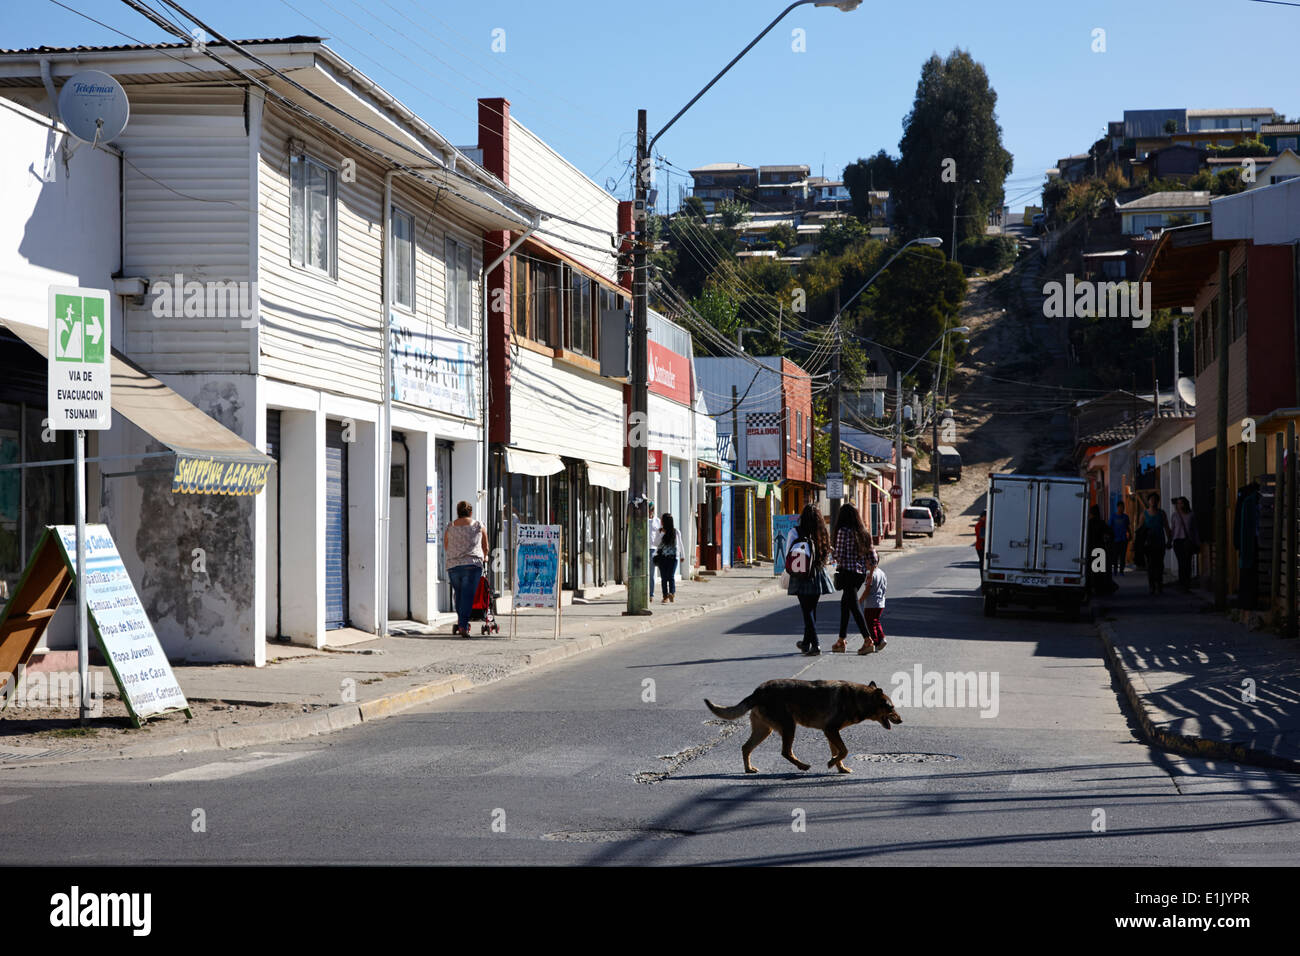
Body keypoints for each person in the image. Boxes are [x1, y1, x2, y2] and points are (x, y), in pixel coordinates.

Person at [787, 504, 832, 656]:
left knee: (807, 612)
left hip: (801, 574)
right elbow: (827, 553)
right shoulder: (822, 532)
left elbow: (789, 553)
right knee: (812, 610)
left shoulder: (795, 532)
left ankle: (816, 644)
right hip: (818, 574)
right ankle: (806, 643)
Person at [829, 503, 874, 654]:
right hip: (860, 575)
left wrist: (831, 552)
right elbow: (873, 558)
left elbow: (839, 556)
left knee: (854, 606)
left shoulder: (843, 531)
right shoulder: (864, 532)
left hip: (847, 572)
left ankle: (868, 640)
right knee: (845, 604)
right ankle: (841, 640)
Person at [444, 500, 488, 637]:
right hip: (472, 565)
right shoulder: (478, 525)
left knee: (459, 594)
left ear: (458, 512)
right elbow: (485, 546)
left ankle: (461, 621)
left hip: (453, 566)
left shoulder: (450, 526)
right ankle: (463, 626)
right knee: (468, 596)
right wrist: (485, 557)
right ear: (471, 512)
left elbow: (446, 545)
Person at [1141, 493, 1172, 595]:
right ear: (1148, 501)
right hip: (1148, 544)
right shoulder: (1144, 514)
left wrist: (1169, 540)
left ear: (1158, 502)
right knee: (1150, 565)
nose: (1153, 501)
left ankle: (1159, 584)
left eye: (1155, 500)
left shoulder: (1161, 513)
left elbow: (1166, 527)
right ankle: (1151, 585)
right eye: (1151, 499)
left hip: (1160, 542)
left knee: (1159, 564)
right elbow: (1139, 530)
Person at [858, 553, 888, 654]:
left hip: (871, 603)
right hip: (881, 602)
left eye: (866, 561)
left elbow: (867, 590)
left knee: (870, 623)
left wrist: (860, 600)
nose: (864, 563)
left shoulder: (870, 575)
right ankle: (882, 638)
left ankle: (875, 642)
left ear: (869, 562)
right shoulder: (881, 573)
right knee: (876, 621)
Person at [1086, 504, 1116, 596]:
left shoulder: (1089, 523)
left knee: (1090, 571)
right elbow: (1110, 534)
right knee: (1099, 572)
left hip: (1090, 550)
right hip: (1100, 550)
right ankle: (1100, 588)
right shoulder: (1101, 523)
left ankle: (1092, 588)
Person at [1170, 496, 1198, 592]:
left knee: (1187, 562)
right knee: (1181, 562)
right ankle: (1182, 582)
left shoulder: (1191, 515)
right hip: (1178, 541)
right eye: (1178, 503)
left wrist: (1196, 542)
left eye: (1181, 503)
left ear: (1185, 504)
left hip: (1188, 541)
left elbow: (1194, 530)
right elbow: (1173, 529)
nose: (1180, 505)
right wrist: (1170, 540)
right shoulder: (1175, 515)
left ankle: (1187, 583)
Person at [654, 513, 679, 604]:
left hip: (673, 558)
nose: (660, 521)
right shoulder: (660, 531)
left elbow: (679, 544)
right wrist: (662, 534)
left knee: (671, 576)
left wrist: (682, 555)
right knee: (664, 578)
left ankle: (671, 593)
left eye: (662, 520)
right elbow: (656, 543)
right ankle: (665, 596)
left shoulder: (675, 532)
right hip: (663, 558)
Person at [1108, 503, 1131, 576]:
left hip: (1123, 539)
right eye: (1120, 507)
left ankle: (1121, 571)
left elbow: (1127, 527)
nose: (1122, 509)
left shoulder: (1125, 517)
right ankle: (1115, 570)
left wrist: (1130, 535)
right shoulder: (1113, 516)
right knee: (1115, 556)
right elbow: (1109, 527)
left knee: (1122, 556)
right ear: (1117, 507)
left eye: (1123, 507)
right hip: (1115, 539)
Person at [648, 502, 661, 601]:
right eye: (649, 509)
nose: (650, 511)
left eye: (652, 509)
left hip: (653, 548)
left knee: (652, 573)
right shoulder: (642, 520)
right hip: (643, 548)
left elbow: (660, 536)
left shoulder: (657, 521)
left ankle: (651, 594)